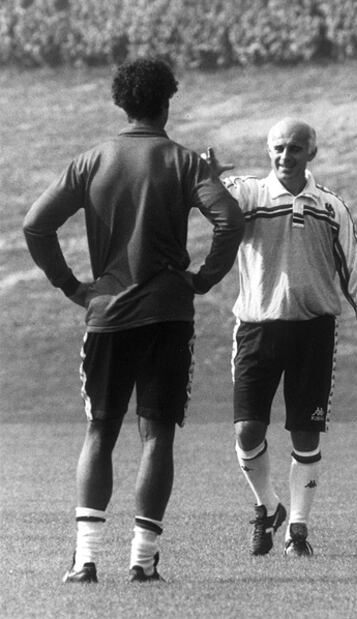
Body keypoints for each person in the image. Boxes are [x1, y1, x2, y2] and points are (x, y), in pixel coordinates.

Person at [23, 57, 244, 583]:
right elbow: (229, 219)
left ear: (121, 103)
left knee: (100, 431)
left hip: (108, 314)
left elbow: (36, 225)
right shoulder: (185, 162)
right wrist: (205, 278)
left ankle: (86, 559)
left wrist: (73, 286)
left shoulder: (92, 161)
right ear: (167, 103)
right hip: (168, 314)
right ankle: (143, 561)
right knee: (157, 434)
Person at [202, 117, 357, 558]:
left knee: (306, 433)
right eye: (279, 148)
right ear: (269, 151)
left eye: (295, 148)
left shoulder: (331, 206)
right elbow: (202, 201)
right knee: (248, 430)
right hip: (256, 330)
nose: (286, 156)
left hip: (313, 333)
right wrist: (207, 179)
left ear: (312, 153)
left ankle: (298, 530)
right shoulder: (246, 194)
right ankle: (268, 507)